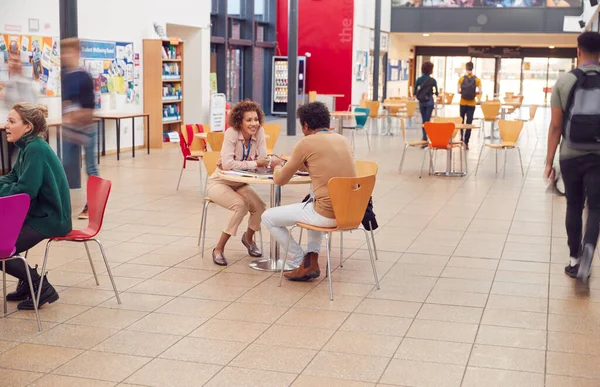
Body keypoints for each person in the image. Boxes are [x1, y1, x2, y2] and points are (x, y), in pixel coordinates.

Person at [262, 102, 356, 281]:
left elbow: (280, 180)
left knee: (268, 217)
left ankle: (301, 260)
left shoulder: (306, 142)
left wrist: (277, 166)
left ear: (305, 125)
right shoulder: (343, 140)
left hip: (327, 215)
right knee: (314, 199)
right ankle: (312, 258)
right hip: (350, 212)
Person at [1, 103, 72, 309]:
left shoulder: (35, 149)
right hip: (40, 215)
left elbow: (25, 191)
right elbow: (13, 177)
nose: (6, 125)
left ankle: (40, 286)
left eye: (12, 121)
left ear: (28, 127)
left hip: (51, 219)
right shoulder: (27, 147)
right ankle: (27, 283)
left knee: (0, 248)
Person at [545, 31, 600, 283]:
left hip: (570, 154)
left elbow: (556, 126)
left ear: (578, 51)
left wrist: (549, 160)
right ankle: (589, 247)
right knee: (597, 207)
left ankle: (575, 259)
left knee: (574, 205)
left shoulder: (563, 82)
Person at [206, 100, 283, 266]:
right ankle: (218, 249)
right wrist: (257, 163)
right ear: (239, 121)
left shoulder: (259, 132)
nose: (254, 124)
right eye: (249, 120)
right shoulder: (232, 133)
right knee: (240, 205)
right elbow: (227, 165)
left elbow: (262, 161)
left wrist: (271, 163)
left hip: (240, 182)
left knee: (260, 207)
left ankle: (248, 238)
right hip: (220, 181)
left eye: (256, 119)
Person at [60, 37, 97, 220]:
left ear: (76, 53)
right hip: (70, 129)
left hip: (86, 128)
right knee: (64, 165)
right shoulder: (67, 76)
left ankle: (92, 205)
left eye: (68, 52)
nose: (65, 56)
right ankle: (61, 206)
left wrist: (75, 115)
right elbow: (68, 101)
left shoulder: (85, 76)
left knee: (90, 167)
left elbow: (90, 108)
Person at [457, 61, 482, 150]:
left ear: (466, 68)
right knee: (469, 122)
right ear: (472, 68)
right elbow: (480, 92)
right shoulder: (477, 79)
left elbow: (458, 91)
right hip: (472, 103)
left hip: (462, 102)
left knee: (461, 121)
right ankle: (466, 142)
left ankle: (461, 138)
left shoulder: (461, 79)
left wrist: (463, 92)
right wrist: (474, 93)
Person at [414, 61, 438, 141]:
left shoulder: (419, 79)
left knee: (423, 119)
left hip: (421, 102)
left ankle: (424, 136)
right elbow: (437, 92)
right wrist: (433, 93)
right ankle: (426, 135)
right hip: (429, 102)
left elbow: (415, 91)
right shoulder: (433, 80)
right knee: (427, 120)